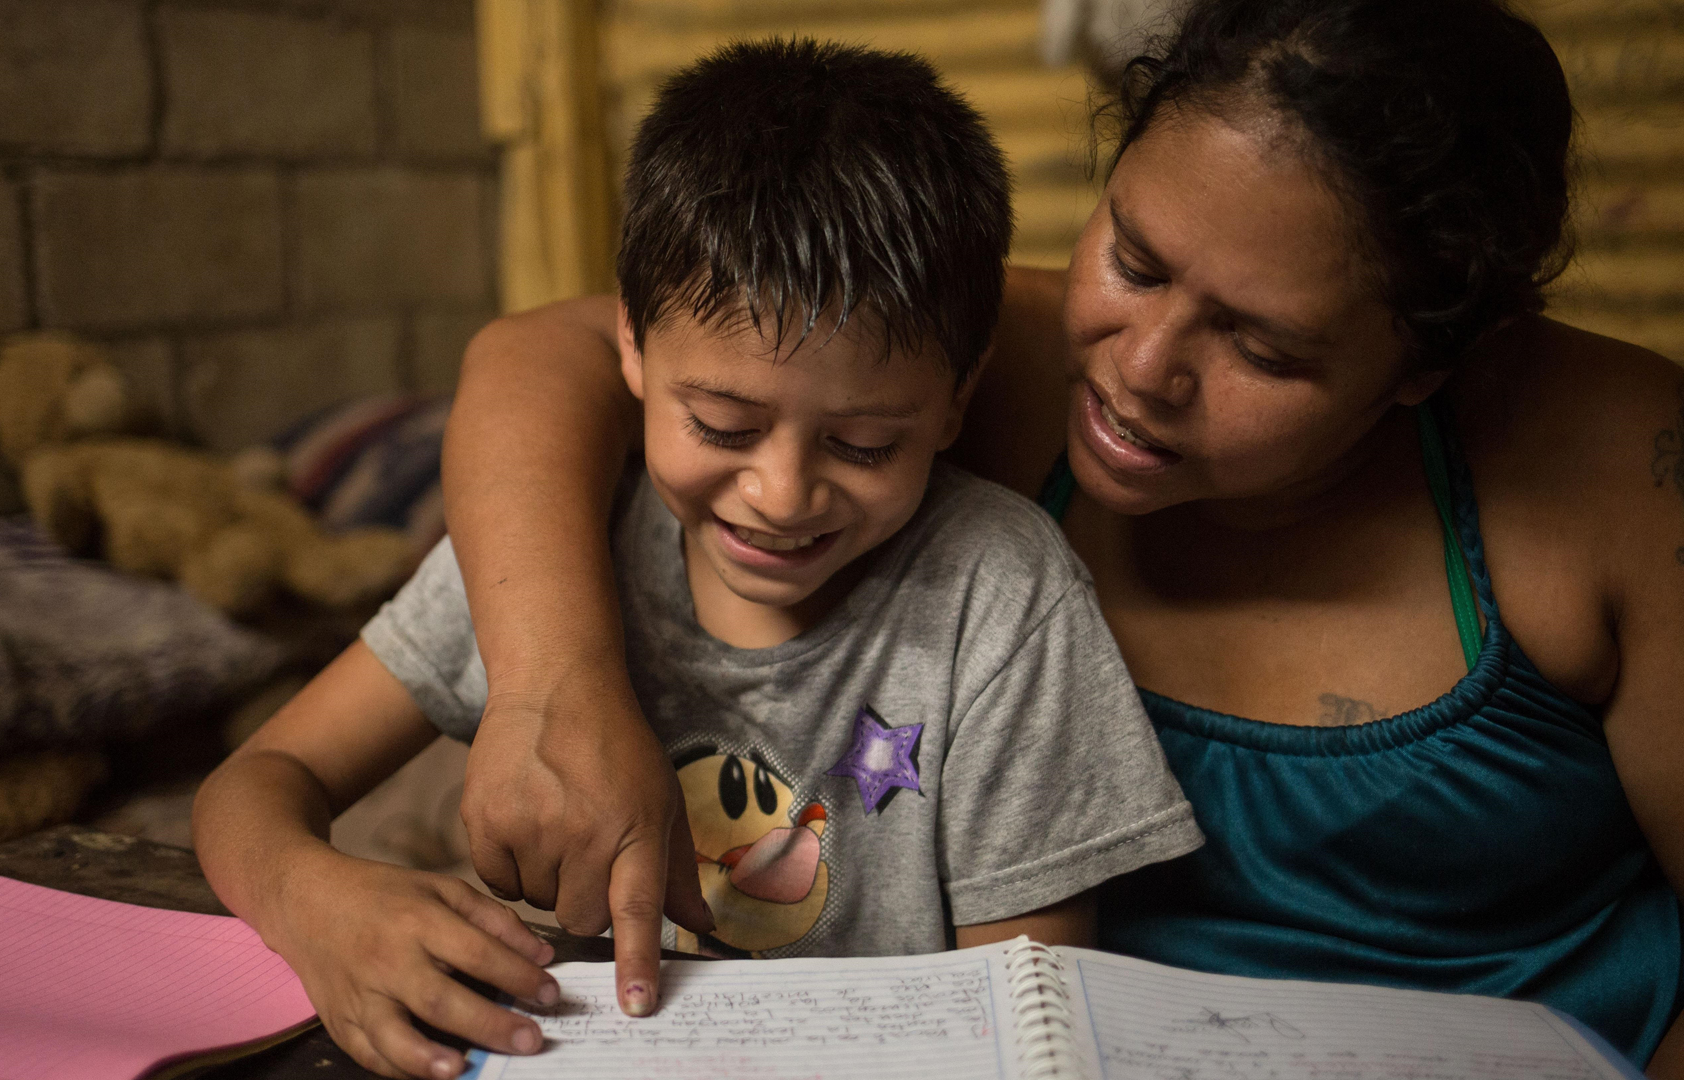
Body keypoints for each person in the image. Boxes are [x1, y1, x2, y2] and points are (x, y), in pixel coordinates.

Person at [440, 0, 1684, 1073]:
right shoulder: (985, 370)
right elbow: (548, 354)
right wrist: (556, 687)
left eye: (1262, 349)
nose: (1141, 373)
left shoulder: (1619, 471)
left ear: (1426, 364)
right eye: (1133, 258)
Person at [194, 39, 1202, 1080]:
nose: (782, 493)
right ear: (630, 345)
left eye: (865, 445)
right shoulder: (565, 546)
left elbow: (1030, 1008)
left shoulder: (997, 593)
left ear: (958, 395)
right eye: (722, 425)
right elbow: (253, 784)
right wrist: (315, 901)